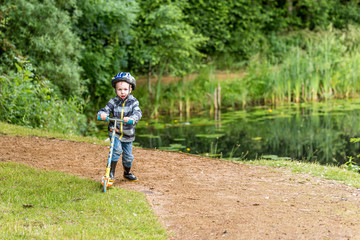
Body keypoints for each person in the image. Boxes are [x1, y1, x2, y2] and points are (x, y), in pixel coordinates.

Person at [97, 72, 142, 183]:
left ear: (130, 89)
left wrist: (132, 118)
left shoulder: (133, 102)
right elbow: (105, 110)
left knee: (128, 157)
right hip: (115, 132)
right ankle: (110, 173)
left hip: (128, 134)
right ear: (116, 90)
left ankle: (127, 173)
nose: (122, 92)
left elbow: (138, 112)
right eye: (119, 89)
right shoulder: (113, 102)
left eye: (125, 89)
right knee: (116, 150)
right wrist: (103, 114)